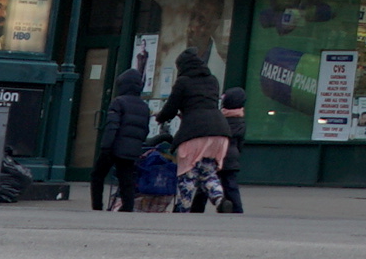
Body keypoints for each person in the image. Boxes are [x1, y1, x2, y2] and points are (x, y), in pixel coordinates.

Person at [154, 48, 231, 213]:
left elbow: (171, 108)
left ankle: (183, 207)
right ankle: (219, 199)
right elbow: (202, 102)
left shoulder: (183, 82)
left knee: (188, 173)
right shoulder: (213, 80)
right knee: (208, 172)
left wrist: (160, 117)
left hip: (194, 133)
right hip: (220, 131)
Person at [90, 68, 150, 211]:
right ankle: (127, 207)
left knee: (97, 175)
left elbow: (112, 126)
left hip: (114, 147)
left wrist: (105, 147)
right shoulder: (144, 107)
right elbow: (144, 130)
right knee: (126, 180)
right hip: (132, 149)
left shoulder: (118, 102)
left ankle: (97, 206)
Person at [217, 87, 249, 214]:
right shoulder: (240, 120)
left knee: (206, 184)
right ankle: (237, 209)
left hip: (216, 154)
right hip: (231, 156)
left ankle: (197, 209)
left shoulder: (219, 118)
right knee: (231, 186)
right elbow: (241, 142)